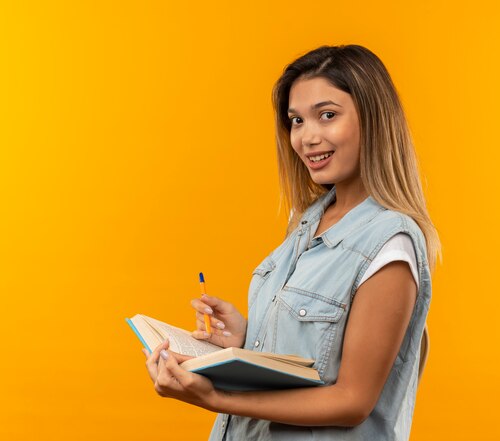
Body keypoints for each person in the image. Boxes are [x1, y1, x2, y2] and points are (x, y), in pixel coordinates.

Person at [142, 44, 441, 440]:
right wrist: (246, 338)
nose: (307, 137)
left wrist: (216, 397)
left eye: (328, 115)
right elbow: (317, 356)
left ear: (374, 119)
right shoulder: (307, 223)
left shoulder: (390, 244)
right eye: (297, 121)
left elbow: (352, 400)